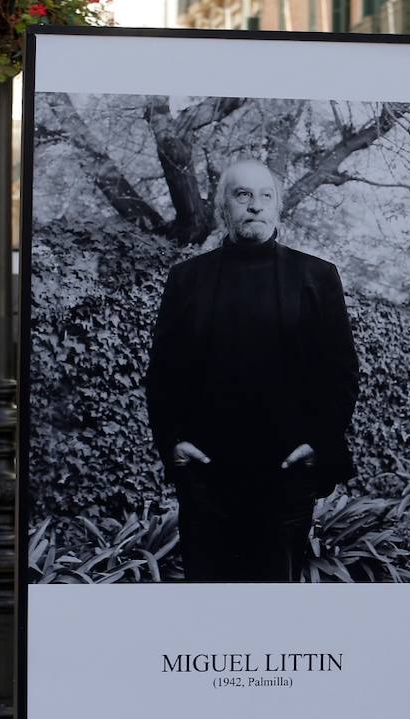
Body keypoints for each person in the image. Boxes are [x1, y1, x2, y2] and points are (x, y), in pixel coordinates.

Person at [146, 159, 359, 582]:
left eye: (265, 196)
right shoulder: (187, 279)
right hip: (206, 477)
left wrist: (319, 442)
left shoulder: (316, 276)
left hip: (286, 476)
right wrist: (172, 444)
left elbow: (341, 374)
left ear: (278, 206)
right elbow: (162, 374)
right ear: (223, 206)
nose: (255, 206)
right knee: (208, 606)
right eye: (242, 195)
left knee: (273, 609)